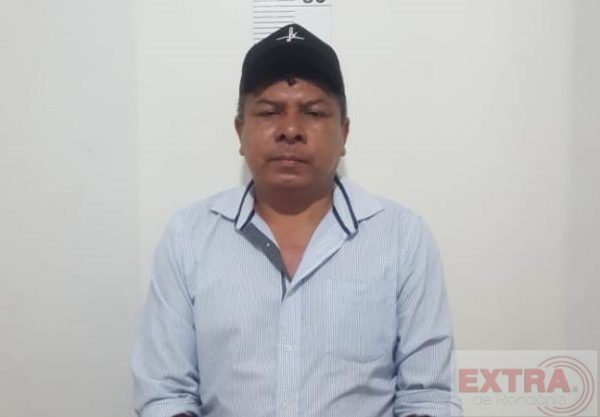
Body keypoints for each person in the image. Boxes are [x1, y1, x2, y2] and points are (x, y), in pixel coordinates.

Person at [132, 23, 462, 417]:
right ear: (240, 131)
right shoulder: (189, 235)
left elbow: (427, 398)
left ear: (344, 133)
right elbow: (166, 395)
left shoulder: (401, 236)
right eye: (269, 112)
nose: (290, 130)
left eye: (314, 112)